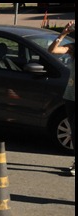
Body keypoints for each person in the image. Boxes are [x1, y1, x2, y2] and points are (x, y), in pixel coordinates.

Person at [48, 20, 75, 176]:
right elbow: (52, 50)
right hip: (71, 96)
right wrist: (64, 33)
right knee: (73, 131)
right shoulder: (73, 49)